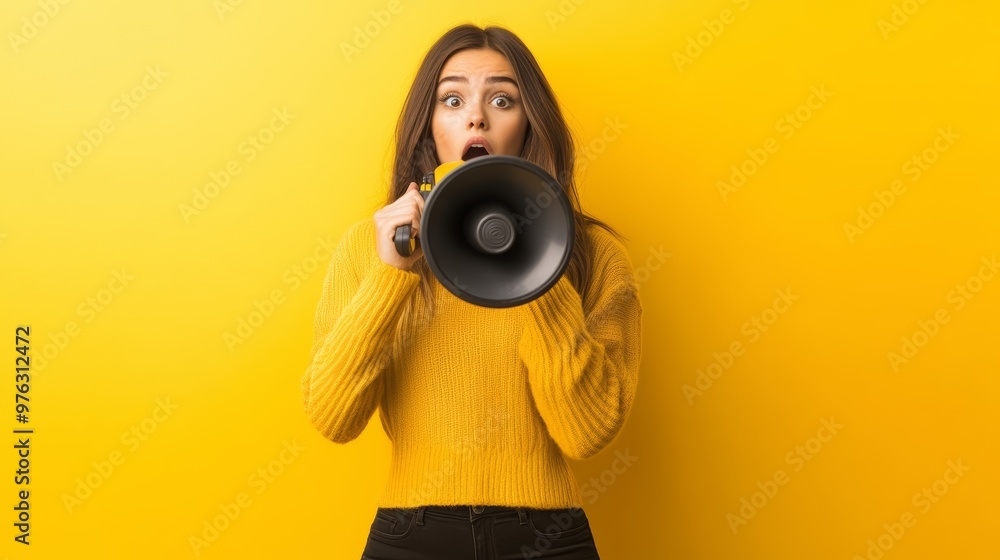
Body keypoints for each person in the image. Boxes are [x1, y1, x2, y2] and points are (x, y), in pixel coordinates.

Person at [300, 23, 642, 560]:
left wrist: (538, 264)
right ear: (429, 126)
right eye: (452, 99)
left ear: (529, 124)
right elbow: (333, 418)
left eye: (502, 99)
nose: (476, 116)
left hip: (548, 538)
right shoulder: (371, 248)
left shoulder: (593, 255)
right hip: (410, 536)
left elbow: (587, 432)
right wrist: (393, 275)